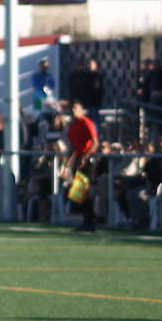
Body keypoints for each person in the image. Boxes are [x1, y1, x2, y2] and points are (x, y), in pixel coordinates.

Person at [62, 98, 99, 233]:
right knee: (79, 191)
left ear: (81, 110)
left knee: (85, 190)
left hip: (88, 159)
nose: (72, 111)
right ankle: (87, 219)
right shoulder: (72, 125)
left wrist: (85, 157)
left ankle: (90, 221)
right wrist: (67, 162)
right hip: (79, 158)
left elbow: (95, 142)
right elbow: (72, 145)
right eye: (71, 109)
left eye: (75, 108)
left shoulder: (86, 122)